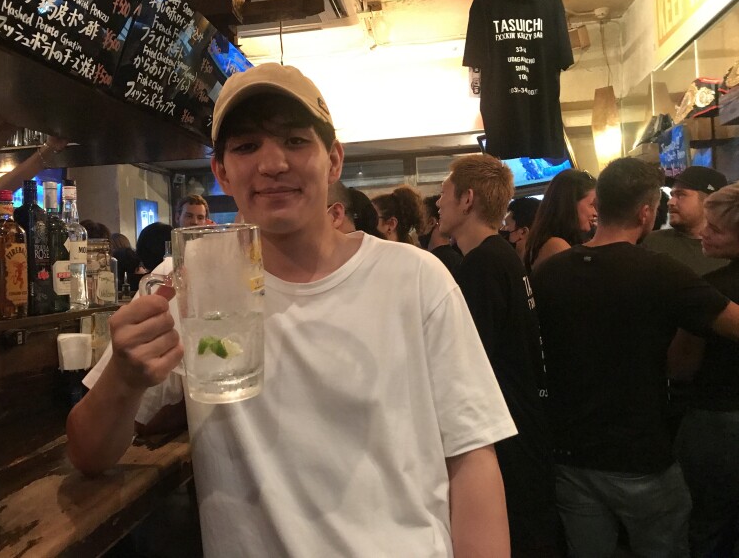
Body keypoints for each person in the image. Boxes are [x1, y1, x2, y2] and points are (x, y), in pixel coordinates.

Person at [67, 62, 517, 557]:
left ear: (334, 160)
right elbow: (88, 452)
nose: (273, 163)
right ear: (221, 171)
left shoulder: (417, 279)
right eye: (245, 146)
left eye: (296, 141)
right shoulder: (195, 288)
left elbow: (472, 460)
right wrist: (124, 380)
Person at [531, 157, 739, 557]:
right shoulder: (663, 273)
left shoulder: (550, 272)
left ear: (601, 204)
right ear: (646, 212)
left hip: (569, 453)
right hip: (641, 457)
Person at [437, 155, 561, 557]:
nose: (438, 202)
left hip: (508, 430)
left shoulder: (482, 265)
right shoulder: (501, 256)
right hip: (525, 420)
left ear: (467, 199)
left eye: (443, 193)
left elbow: (469, 364)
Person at [671, 182, 739, 557]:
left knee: (708, 527)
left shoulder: (711, 290)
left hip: (718, 421)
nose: (705, 233)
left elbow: (681, 364)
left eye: (715, 229)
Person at [642, 166, 729, 276]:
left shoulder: (729, 250)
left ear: (709, 201)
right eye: (672, 195)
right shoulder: (653, 243)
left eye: (681, 195)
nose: (670, 202)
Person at [523, 169, 596, 272]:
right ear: (570, 205)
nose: (596, 213)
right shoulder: (556, 245)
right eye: (592, 205)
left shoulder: (562, 241)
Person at [422, 195, 463, 281]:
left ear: (431, 222)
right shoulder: (456, 258)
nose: (417, 228)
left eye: (420, 220)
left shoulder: (433, 261)